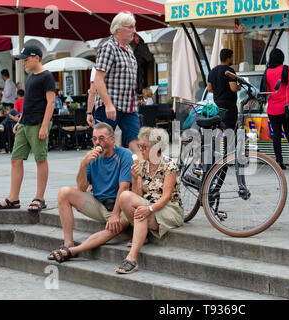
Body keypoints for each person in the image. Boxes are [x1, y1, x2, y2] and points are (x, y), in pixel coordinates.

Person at [48, 122, 134, 263]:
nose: (97, 143)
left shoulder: (125, 155)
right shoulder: (92, 158)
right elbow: (81, 188)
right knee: (64, 193)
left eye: (101, 138)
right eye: (94, 139)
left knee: (114, 228)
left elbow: (123, 188)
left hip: (120, 206)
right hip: (98, 203)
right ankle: (68, 243)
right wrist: (83, 164)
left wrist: (115, 215)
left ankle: (73, 251)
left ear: (112, 139)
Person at [0, 45, 56, 213]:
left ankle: (39, 197)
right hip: (25, 122)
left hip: (38, 123)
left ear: (37, 58)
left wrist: (44, 126)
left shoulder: (46, 76)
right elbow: (28, 101)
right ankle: (13, 198)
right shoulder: (31, 77)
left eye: (26, 59)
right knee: (15, 159)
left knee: (40, 159)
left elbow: (51, 102)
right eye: (23, 60)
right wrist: (20, 121)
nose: (24, 62)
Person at [116, 127, 184, 274]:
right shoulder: (143, 166)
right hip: (148, 206)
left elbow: (166, 197)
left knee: (142, 212)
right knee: (125, 197)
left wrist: (149, 209)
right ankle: (142, 235)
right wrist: (134, 179)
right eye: (139, 146)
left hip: (169, 209)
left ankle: (131, 258)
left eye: (143, 146)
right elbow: (137, 195)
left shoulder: (169, 165)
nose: (140, 149)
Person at [94, 11, 141, 155]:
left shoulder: (129, 49)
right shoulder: (108, 47)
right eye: (131, 27)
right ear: (119, 29)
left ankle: (142, 176)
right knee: (104, 145)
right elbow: (98, 78)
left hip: (129, 107)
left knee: (137, 143)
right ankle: (99, 175)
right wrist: (108, 104)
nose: (134, 30)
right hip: (111, 106)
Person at [264, 48, 289, 170]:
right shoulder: (286, 69)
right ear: (282, 58)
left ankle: (279, 162)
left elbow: (266, 90)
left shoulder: (267, 72)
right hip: (286, 110)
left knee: (276, 135)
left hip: (272, 109)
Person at [207, 49, 241, 130]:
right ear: (229, 58)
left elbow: (209, 88)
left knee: (218, 130)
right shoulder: (229, 71)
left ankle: (220, 143)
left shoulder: (212, 71)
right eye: (232, 57)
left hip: (217, 106)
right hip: (229, 107)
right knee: (229, 130)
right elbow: (233, 88)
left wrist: (219, 90)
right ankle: (229, 143)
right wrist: (239, 87)